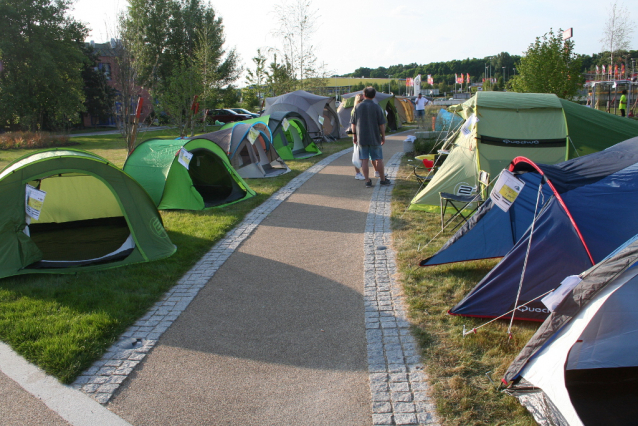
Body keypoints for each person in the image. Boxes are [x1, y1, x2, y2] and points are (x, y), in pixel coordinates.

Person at [351, 87, 390, 187]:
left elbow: (353, 124)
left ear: (364, 95)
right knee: (378, 159)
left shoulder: (357, 107)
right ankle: (382, 179)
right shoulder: (377, 107)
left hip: (361, 137)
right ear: (374, 96)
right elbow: (381, 124)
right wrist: (383, 136)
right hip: (374, 136)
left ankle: (367, 181)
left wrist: (354, 135)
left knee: (364, 159)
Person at [351, 93, 379, 180]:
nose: (363, 102)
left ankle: (376, 170)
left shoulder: (363, 108)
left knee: (370, 156)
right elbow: (353, 124)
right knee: (358, 155)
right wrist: (354, 135)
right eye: (361, 100)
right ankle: (358, 173)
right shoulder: (355, 110)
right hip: (358, 135)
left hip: (366, 134)